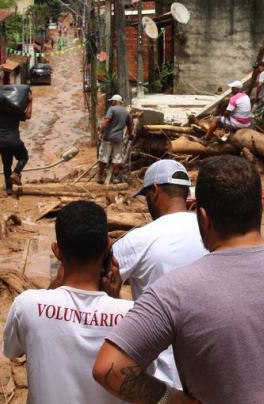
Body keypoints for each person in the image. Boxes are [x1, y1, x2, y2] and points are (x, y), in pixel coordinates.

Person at [93, 156, 264, 404]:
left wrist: (171, 399)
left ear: (203, 217)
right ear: (262, 206)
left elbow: (109, 368)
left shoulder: (172, 291)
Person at [3, 201, 131, 404]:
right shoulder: (132, 316)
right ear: (107, 248)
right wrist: (114, 299)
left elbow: (11, 351)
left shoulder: (26, 305)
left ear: (57, 250)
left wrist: (53, 286)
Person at [108, 160, 207, 389]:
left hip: (162, 384)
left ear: (154, 191)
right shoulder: (212, 231)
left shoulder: (140, 239)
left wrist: (114, 299)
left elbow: (93, 279)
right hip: (208, 376)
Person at [0, 93, 32, 194]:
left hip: (2, 144)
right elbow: (28, 115)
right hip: (15, 142)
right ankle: (16, 172)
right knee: (24, 157)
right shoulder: (13, 112)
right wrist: (30, 102)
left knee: (6, 165)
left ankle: (9, 188)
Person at [98, 94, 133, 185]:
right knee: (117, 157)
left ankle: (101, 175)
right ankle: (116, 177)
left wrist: (101, 132)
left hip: (108, 137)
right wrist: (130, 135)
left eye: (112, 101)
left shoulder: (111, 109)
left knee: (103, 156)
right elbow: (130, 126)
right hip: (118, 138)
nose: (111, 102)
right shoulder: (126, 112)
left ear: (115, 101)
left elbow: (106, 121)